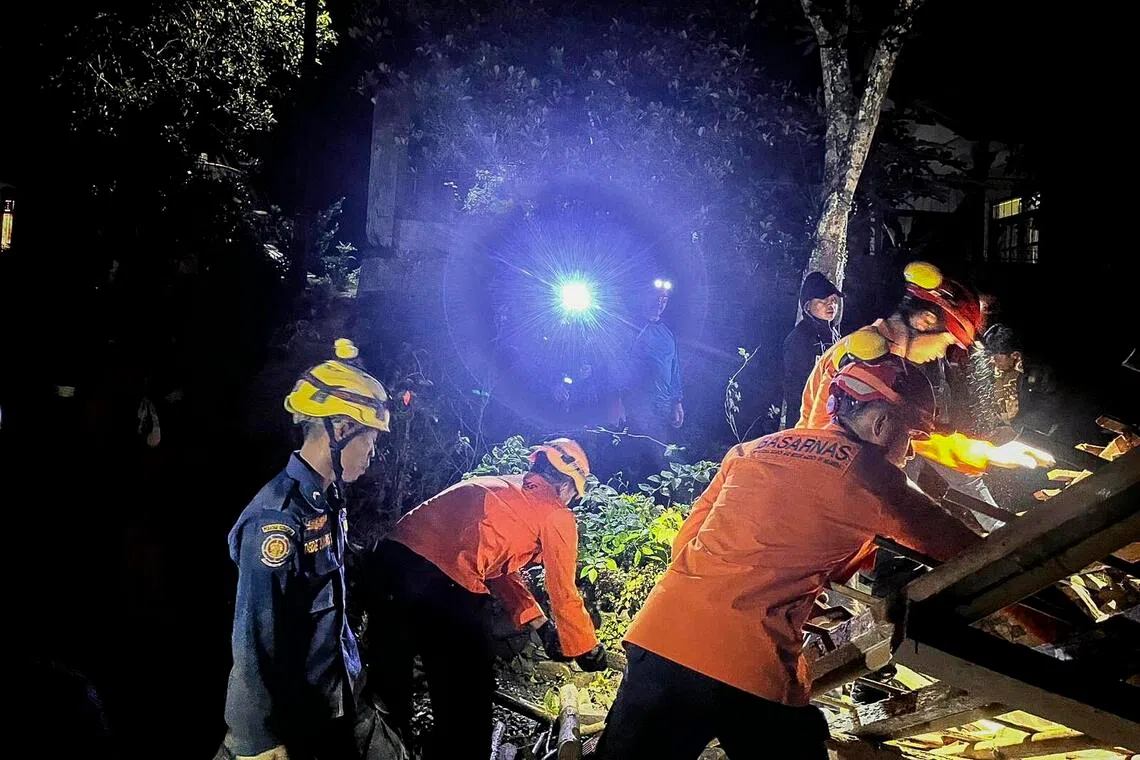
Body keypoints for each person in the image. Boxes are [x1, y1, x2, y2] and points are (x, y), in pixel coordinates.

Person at [595, 357, 982, 760]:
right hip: (748, 663)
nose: (909, 453)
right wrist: (1050, 626)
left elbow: (687, 543)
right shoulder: (874, 476)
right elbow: (979, 555)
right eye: (911, 437)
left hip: (662, 637)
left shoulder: (752, 449)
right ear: (883, 425)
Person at [218, 339, 406, 760]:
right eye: (370, 439)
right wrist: (257, 741)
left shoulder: (326, 499)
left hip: (344, 697)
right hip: (302, 717)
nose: (373, 452)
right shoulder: (276, 520)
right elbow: (255, 638)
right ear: (340, 430)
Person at [366, 438, 607, 760]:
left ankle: (384, 748)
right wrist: (585, 647)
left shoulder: (501, 487)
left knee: (389, 680)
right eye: (574, 496)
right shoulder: (554, 512)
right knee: (467, 694)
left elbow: (498, 571)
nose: (571, 503)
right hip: (444, 584)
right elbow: (562, 589)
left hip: (387, 564)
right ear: (567, 485)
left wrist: (540, 623)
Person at [796, 261, 983, 431]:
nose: (941, 353)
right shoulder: (858, 355)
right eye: (947, 342)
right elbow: (822, 436)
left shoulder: (890, 362)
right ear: (925, 321)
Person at [621, 278, 684, 482]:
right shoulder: (630, 328)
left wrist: (677, 402)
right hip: (637, 406)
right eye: (656, 297)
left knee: (658, 458)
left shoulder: (667, 334)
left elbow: (674, 370)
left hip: (662, 407)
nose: (660, 302)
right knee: (632, 458)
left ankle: (654, 504)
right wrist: (617, 403)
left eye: (664, 298)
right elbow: (617, 367)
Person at [782, 272, 842, 423]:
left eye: (833, 300)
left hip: (829, 416)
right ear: (808, 306)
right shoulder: (800, 338)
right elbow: (794, 389)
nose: (831, 305)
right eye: (823, 300)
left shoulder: (835, 337)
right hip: (806, 419)